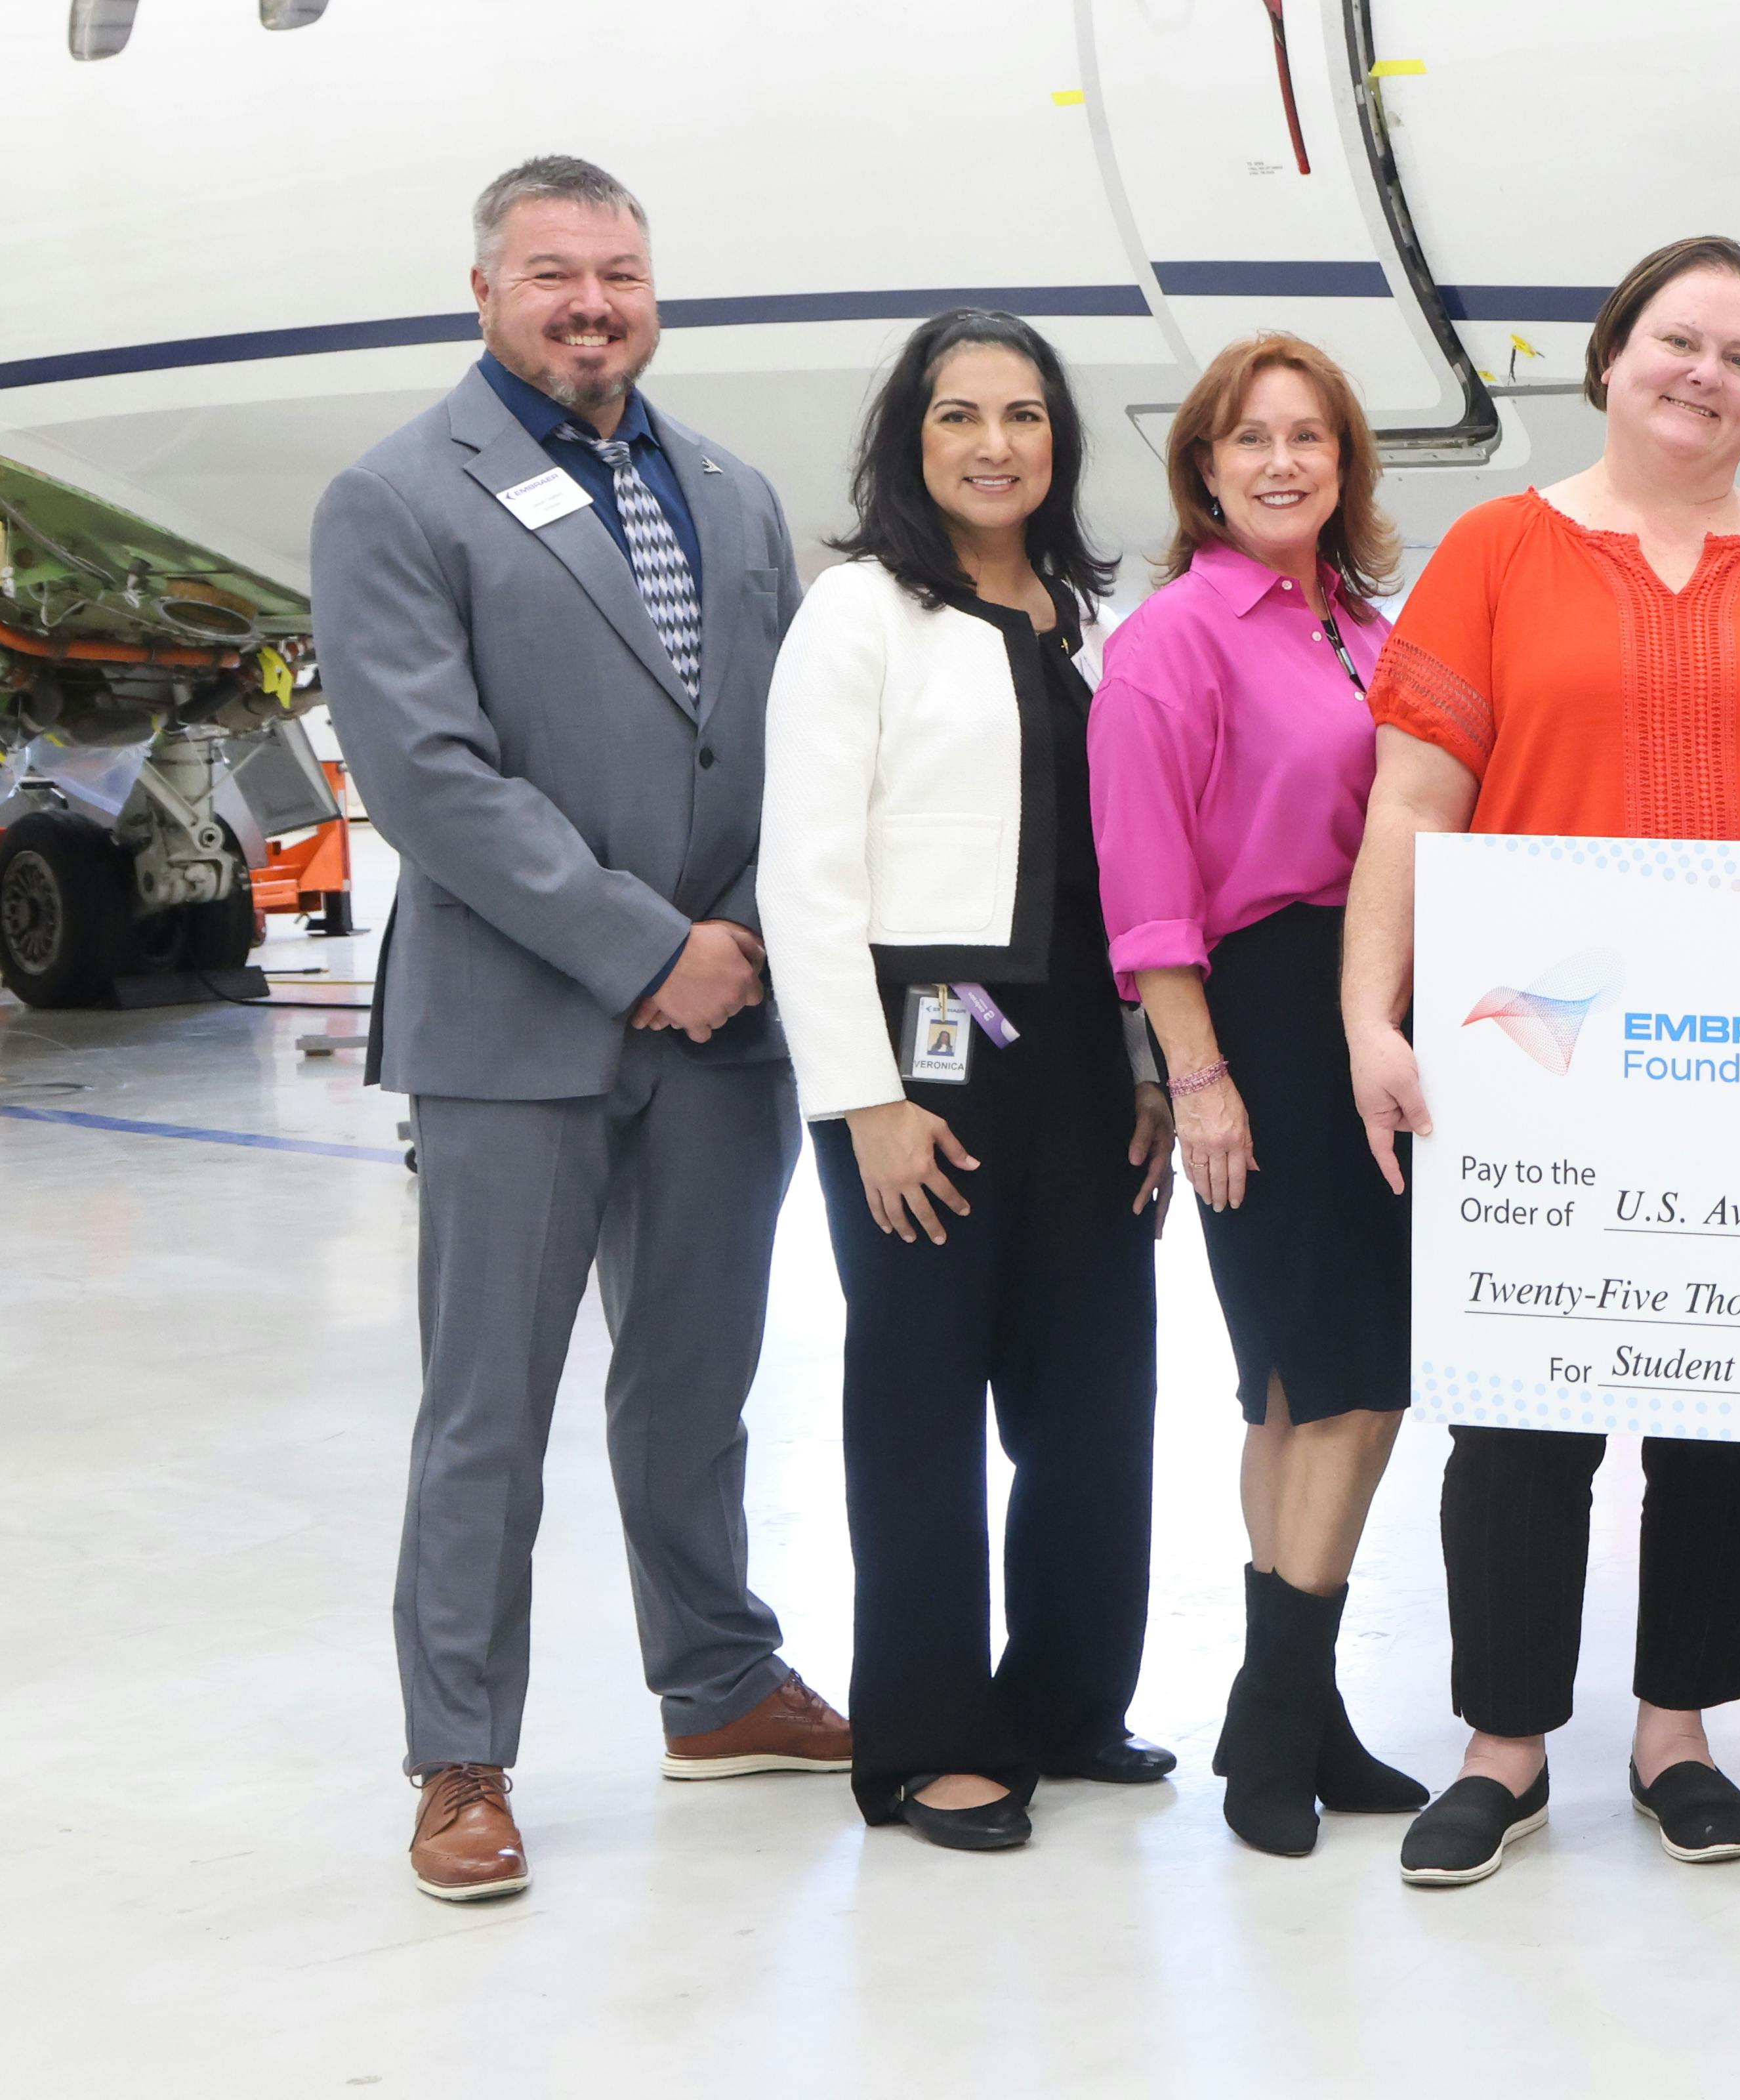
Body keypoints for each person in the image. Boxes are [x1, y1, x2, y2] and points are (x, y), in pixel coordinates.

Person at [312, 155, 849, 1904]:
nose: (593, 303)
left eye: (620, 271)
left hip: (730, 1020)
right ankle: (459, 1759)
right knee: (489, 1407)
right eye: (555, 273)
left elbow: (791, 753)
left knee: (695, 1385)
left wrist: (748, 938)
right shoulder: (397, 499)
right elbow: (430, 781)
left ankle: (715, 1681)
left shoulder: (733, 493)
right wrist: (645, 949)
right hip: (514, 1028)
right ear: (484, 292)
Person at [1341, 238, 1740, 1887]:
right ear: (1609, 359)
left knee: (1724, 1405)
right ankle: (1502, 1749)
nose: (1704, 374)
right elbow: (1409, 807)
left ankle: (1680, 1730)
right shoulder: (1498, 551)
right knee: (1520, 1409)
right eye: (1677, 340)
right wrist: (1372, 1017)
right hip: (1540, 1061)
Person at [759, 310, 1170, 1853]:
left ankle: (1068, 1701)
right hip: (918, 1061)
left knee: (1095, 1398)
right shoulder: (860, 613)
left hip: (1080, 1059)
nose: (994, 443)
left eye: (1023, 415)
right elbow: (803, 875)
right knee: (919, 1401)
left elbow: (1121, 876)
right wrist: (863, 1099)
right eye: (958, 416)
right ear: (909, 442)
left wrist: (1144, 1067)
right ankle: (931, 1735)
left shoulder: (1087, 619)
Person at [1095, 334, 1432, 1857]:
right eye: (1251, 441)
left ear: (1347, 462)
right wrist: (1201, 1075)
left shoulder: (1365, 630)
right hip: (1264, 1015)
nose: (1284, 463)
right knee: (1319, 1381)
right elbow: (1149, 886)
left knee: (1342, 1381)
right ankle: (1274, 1730)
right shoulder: (1175, 636)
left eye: (1310, 437)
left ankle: (1299, 1709)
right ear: (1205, 468)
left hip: (1372, 1012)